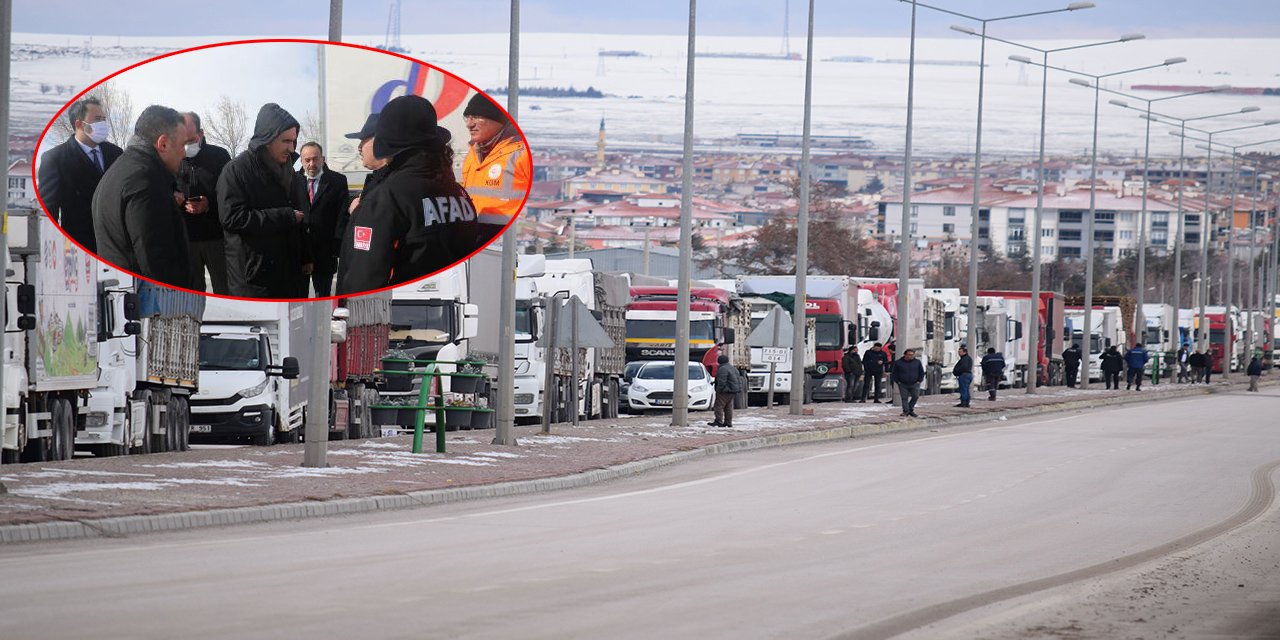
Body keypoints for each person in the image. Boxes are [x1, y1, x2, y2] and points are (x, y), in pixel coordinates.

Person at [337, 94, 484, 295]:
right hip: (451, 312)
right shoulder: (458, 193)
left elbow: (364, 282)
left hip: (402, 319)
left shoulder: (387, 199)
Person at [91, 105, 196, 289]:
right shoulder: (146, 181)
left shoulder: (118, 171)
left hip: (122, 296)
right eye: (182, 145)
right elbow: (157, 263)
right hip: (148, 305)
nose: (184, 153)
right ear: (163, 144)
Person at [218, 103, 311, 298]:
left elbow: (300, 216)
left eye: (294, 141)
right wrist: (284, 216)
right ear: (267, 139)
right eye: (286, 141)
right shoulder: (236, 171)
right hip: (254, 281)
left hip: (287, 276)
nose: (291, 148)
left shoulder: (288, 172)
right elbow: (233, 218)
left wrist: (306, 257)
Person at [38, 95, 124, 253]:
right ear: (79, 124)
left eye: (104, 119)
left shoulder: (116, 154)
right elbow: (49, 212)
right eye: (97, 119)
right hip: (78, 247)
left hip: (115, 246)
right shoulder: (56, 159)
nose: (103, 124)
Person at [460, 93, 532, 240]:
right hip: (475, 237)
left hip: (506, 242)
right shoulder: (473, 153)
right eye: (467, 117)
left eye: (476, 117)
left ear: (497, 119)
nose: (469, 124)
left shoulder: (521, 153)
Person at [177, 111, 232, 294]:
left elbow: (231, 197)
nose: (185, 146)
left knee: (224, 289)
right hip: (186, 239)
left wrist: (209, 205)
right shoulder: (173, 158)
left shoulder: (220, 156)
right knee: (192, 292)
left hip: (215, 237)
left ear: (201, 133)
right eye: (182, 141)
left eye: (190, 140)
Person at [298, 142, 350, 297]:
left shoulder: (337, 181)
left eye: (315, 159)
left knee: (323, 299)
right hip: (300, 253)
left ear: (323, 159)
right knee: (298, 300)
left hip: (325, 253)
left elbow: (342, 216)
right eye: (307, 160)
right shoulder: (293, 181)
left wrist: (336, 248)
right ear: (301, 161)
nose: (311, 164)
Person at [709, 354, 742, 428]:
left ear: (719, 361)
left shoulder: (722, 369)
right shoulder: (733, 368)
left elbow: (722, 381)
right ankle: (728, 422)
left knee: (718, 406)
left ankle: (718, 421)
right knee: (728, 407)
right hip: (733, 391)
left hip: (725, 391)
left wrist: (719, 390)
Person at [890, 348, 925, 417]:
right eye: (909, 355)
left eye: (912, 355)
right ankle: (906, 411)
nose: (910, 356)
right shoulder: (898, 362)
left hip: (914, 383)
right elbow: (894, 373)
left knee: (915, 396)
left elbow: (921, 372)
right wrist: (898, 381)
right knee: (904, 398)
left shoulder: (917, 362)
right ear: (905, 355)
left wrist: (919, 380)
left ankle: (910, 409)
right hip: (903, 383)